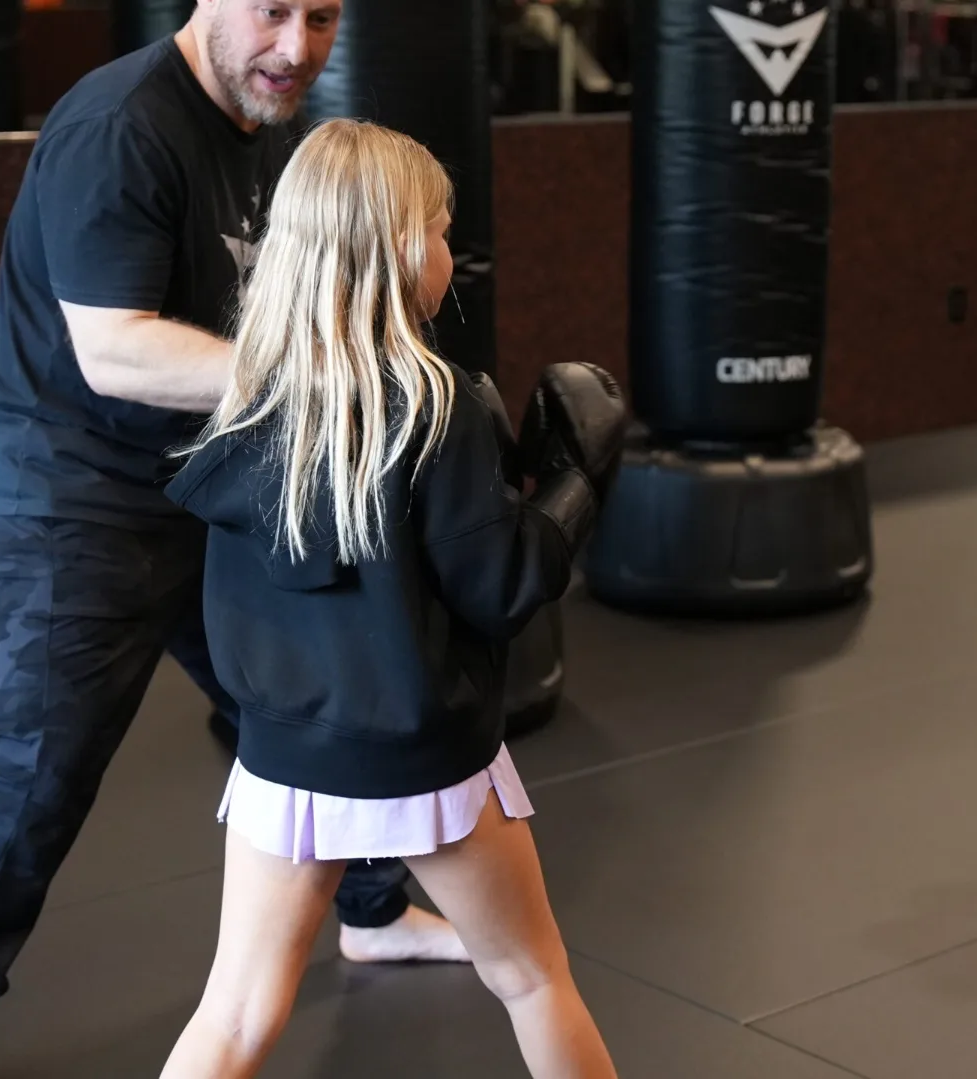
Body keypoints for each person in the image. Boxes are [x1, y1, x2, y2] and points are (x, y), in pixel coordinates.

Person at [0, 5, 472, 1077]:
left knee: (305, 700)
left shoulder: (257, 134)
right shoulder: (123, 127)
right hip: (73, 488)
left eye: (322, 15)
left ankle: (370, 905)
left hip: (198, 473)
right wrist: (333, 375)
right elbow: (114, 350)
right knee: (42, 767)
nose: (298, 46)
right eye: (272, 10)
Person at [157, 119, 621, 1079]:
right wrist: (576, 483)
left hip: (282, 761)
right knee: (533, 975)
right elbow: (502, 589)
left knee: (235, 1014)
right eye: (442, 228)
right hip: (422, 764)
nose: (450, 249)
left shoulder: (252, 402)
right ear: (406, 247)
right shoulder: (440, 404)